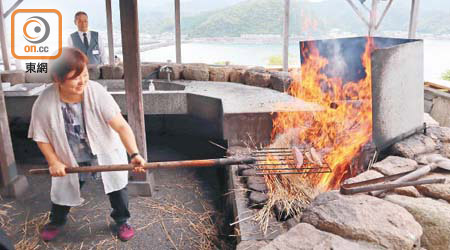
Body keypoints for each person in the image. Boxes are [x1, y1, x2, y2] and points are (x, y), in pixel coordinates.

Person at [28, 47, 145, 242]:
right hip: (71, 154)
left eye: (84, 74)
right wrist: (54, 162)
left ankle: (122, 220)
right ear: (58, 78)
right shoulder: (45, 101)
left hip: (104, 149)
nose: (82, 81)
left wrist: (134, 154)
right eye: (75, 77)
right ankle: (56, 221)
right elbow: (41, 137)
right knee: (63, 189)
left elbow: (122, 127)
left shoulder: (96, 92)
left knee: (117, 187)